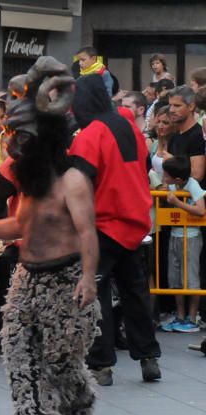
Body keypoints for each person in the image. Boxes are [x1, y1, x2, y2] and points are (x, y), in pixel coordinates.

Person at [0, 56, 100, 415]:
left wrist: (88, 279)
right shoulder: (31, 184)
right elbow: (20, 227)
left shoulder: (72, 181)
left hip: (66, 280)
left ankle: (81, 407)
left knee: (61, 360)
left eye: (20, 139)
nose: (12, 146)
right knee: (18, 352)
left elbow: (88, 233)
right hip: (26, 278)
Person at [70, 73, 161, 386]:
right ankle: (149, 357)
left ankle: (101, 364)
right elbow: (146, 166)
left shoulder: (90, 134)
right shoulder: (128, 127)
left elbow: (80, 180)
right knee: (135, 292)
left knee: (96, 294)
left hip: (105, 224)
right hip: (135, 221)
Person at [158, 157, 205, 332]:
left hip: (191, 236)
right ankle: (179, 315)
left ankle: (192, 318)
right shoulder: (171, 186)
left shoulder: (192, 185)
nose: (164, 177)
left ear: (177, 179)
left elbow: (201, 209)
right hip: (175, 235)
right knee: (175, 277)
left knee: (191, 278)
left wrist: (178, 203)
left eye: (167, 175)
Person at [163, 86, 205, 183]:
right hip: (176, 195)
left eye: (177, 106)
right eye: (170, 105)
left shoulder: (198, 136)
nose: (171, 110)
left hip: (193, 196)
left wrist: (173, 162)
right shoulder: (174, 136)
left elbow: (197, 175)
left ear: (191, 106)